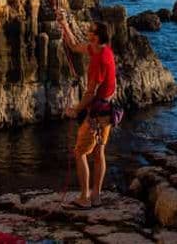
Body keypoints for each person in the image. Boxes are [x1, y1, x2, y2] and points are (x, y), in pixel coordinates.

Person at [57, 15, 117, 209]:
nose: (88, 31)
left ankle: (84, 197)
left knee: (80, 152)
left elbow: (90, 93)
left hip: (97, 114)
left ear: (97, 37)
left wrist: (75, 110)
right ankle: (96, 196)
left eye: (91, 30)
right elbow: (74, 46)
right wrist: (65, 26)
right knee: (99, 152)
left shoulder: (98, 60)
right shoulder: (102, 50)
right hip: (108, 111)